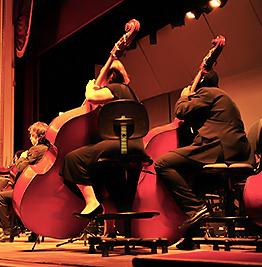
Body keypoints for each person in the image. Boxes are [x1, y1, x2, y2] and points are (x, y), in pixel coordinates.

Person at [154, 69, 252, 249]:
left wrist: (185, 96)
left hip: (217, 147)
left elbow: (181, 111)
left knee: (162, 163)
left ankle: (195, 208)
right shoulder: (223, 97)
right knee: (193, 183)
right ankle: (193, 236)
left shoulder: (207, 92)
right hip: (237, 150)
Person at [58, 59, 146, 237]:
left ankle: (91, 201)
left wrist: (90, 86)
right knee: (103, 181)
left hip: (121, 143)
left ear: (109, 80)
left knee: (73, 159)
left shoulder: (116, 89)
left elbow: (90, 98)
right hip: (135, 145)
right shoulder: (131, 94)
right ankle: (110, 230)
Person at [0, 121, 49, 242]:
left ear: (37, 137)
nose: (30, 138)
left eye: (32, 135)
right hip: (45, 190)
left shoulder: (35, 150)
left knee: (1, 197)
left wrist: (22, 157)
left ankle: (7, 232)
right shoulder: (50, 150)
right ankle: (33, 232)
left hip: (30, 192)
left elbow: (21, 168)